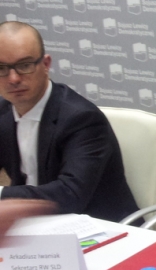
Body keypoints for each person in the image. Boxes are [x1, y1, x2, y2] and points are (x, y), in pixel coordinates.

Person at [0, 21, 139, 222]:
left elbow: (70, 194)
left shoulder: (82, 119)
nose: (13, 78)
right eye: (2, 68)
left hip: (98, 226)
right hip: (33, 223)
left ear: (45, 64)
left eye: (24, 66)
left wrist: (2, 194)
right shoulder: (3, 112)